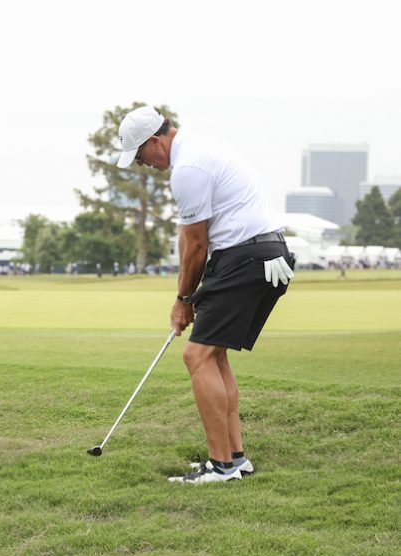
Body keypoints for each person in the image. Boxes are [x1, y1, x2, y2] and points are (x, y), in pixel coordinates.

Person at [116, 105, 295, 484]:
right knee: (213, 356)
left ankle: (221, 467)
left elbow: (195, 246)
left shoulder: (188, 170)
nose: (140, 164)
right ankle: (235, 458)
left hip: (244, 258)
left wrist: (183, 301)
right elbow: (193, 242)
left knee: (195, 355)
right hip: (265, 255)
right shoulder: (200, 147)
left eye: (138, 155)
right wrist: (190, 295)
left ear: (154, 141)